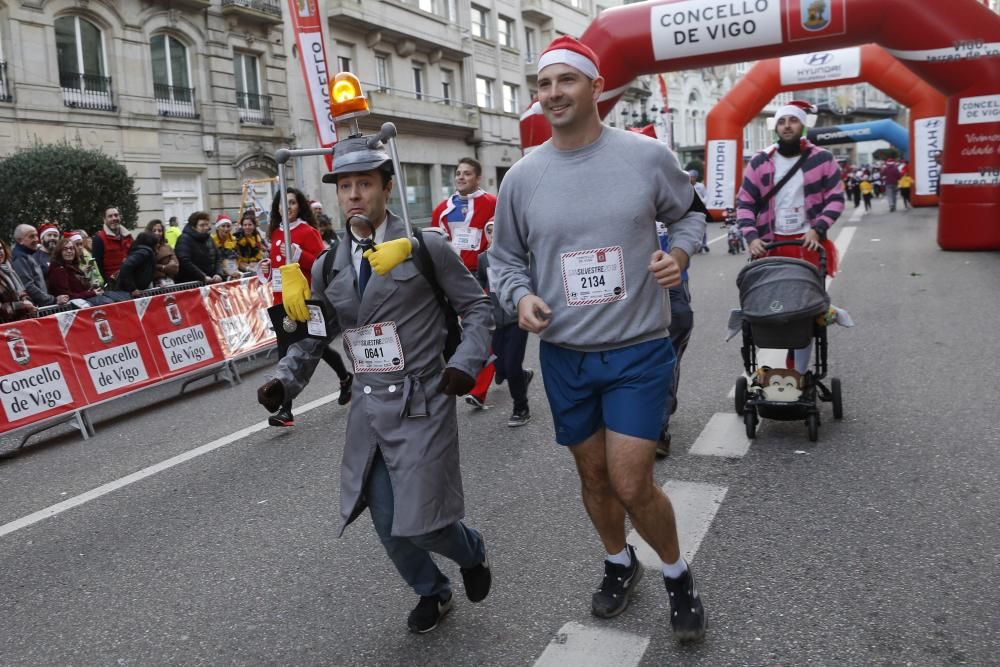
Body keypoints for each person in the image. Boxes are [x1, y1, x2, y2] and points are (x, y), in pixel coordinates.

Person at [488, 35, 708, 642]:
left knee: (632, 481)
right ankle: (619, 562)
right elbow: (503, 260)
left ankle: (677, 575)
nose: (553, 93)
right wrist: (519, 297)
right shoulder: (523, 178)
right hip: (565, 355)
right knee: (592, 479)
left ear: (595, 87)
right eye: (544, 84)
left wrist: (681, 254)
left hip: (638, 348)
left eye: (567, 80)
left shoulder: (645, 156)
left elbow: (691, 213)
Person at [256, 134, 494, 634]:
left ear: (388, 188)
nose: (354, 195)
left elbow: (476, 308)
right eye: (345, 186)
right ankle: (433, 590)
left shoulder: (425, 246)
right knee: (386, 520)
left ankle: (470, 551)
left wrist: (466, 363)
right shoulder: (326, 265)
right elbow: (316, 337)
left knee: (426, 521)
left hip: (423, 398)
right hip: (369, 409)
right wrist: (285, 379)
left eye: (365, 183)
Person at [735, 100, 845, 374]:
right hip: (770, 246)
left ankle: (797, 372)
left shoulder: (823, 159)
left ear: (802, 125)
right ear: (777, 127)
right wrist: (751, 237)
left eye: (792, 121)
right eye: (782, 121)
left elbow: (836, 199)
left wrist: (817, 228)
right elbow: (745, 202)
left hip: (807, 243)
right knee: (771, 308)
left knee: (805, 312)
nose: (787, 126)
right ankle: (770, 371)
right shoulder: (761, 161)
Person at [263, 187, 353, 427]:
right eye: (283, 203)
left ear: (299, 206)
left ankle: (285, 408)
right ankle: (345, 379)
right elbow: (276, 268)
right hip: (282, 300)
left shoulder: (307, 231)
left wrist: (299, 254)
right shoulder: (275, 233)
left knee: (304, 347)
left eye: (292, 203)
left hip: (306, 299)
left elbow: (322, 264)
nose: (288, 207)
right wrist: (264, 272)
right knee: (304, 349)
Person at [431, 158, 498, 409]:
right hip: (451, 276)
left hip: (483, 273)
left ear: (477, 178)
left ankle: (479, 390)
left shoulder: (492, 204)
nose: (460, 177)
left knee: (482, 327)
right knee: (456, 331)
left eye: (467, 174)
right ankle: (513, 372)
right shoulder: (442, 209)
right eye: (458, 173)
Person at [476, 222, 534, 426]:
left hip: (516, 319)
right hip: (495, 322)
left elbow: (529, 278)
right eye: (489, 231)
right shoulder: (482, 259)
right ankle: (522, 376)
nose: (493, 234)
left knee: (511, 365)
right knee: (499, 367)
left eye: (496, 229)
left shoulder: (517, 257)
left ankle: (521, 408)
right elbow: (480, 281)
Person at [655, 221, 694, 458]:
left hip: (670, 281)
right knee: (666, 357)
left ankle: (657, 426)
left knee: (665, 353)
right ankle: (657, 427)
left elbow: (693, 217)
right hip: (668, 281)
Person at [11, 224, 69, 307]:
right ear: (20, 240)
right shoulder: (20, 258)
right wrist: (53, 300)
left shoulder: (28, 254)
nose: (36, 239)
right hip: (37, 309)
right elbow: (28, 286)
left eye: (36, 236)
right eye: (31, 236)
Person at [46, 236, 114, 304]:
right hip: (72, 307)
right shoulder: (58, 270)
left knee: (113, 297)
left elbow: (80, 289)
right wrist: (92, 293)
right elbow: (68, 296)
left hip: (84, 301)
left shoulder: (74, 266)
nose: (69, 251)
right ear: (59, 252)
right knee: (107, 302)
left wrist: (92, 289)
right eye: (65, 249)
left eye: (71, 248)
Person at [175, 211, 225, 284]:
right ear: (193, 226)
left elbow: (217, 257)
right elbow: (184, 261)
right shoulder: (184, 239)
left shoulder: (209, 238)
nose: (205, 228)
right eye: (202, 225)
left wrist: (218, 273)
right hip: (191, 284)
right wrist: (202, 276)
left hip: (210, 281)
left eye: (207, 225)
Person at [92, 206, 133, 284]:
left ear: (120, 217)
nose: (114, 218)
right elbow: (97, 265)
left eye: (116, 215)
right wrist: (107, 283)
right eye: (110, 216)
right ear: (104, 220)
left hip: (131, 281)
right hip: (113, 285)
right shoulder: (99, 239)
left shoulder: (128, 236)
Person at [0, 240, 37, 322]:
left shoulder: (9, 269)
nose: (0, 252)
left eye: (1, 248)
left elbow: (22, 292)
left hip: (22, 322)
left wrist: (27, 301)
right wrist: (22, 305)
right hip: (5, 328)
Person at [145, 220, 180, 286]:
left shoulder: (167, 247)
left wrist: (160, 268)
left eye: (160, 231)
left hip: (170, 283)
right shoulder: (145, 247)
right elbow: (148, 267)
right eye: (154, 231)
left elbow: (175, 268)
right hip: (151, 286)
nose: (157, 233)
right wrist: (164, 267)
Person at [211, 214, 242, 279]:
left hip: (234, 274)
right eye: (223, 226)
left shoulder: (234, 240)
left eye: (228, 226)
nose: (226, 229)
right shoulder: (211, 241)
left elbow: (238, 258)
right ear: (218, 227)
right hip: (218, 276)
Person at [688, 170, 709, 253]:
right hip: (690, 209)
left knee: (702, 227)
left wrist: (703, 202)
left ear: (696, 178)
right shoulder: (686, 186)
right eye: (690, 176)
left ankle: (704, 244)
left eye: (692, 177)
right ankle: (695, 245)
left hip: (700, 209)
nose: (691, 178)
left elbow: (706, 195)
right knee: (691, 229)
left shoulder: (700, 186)